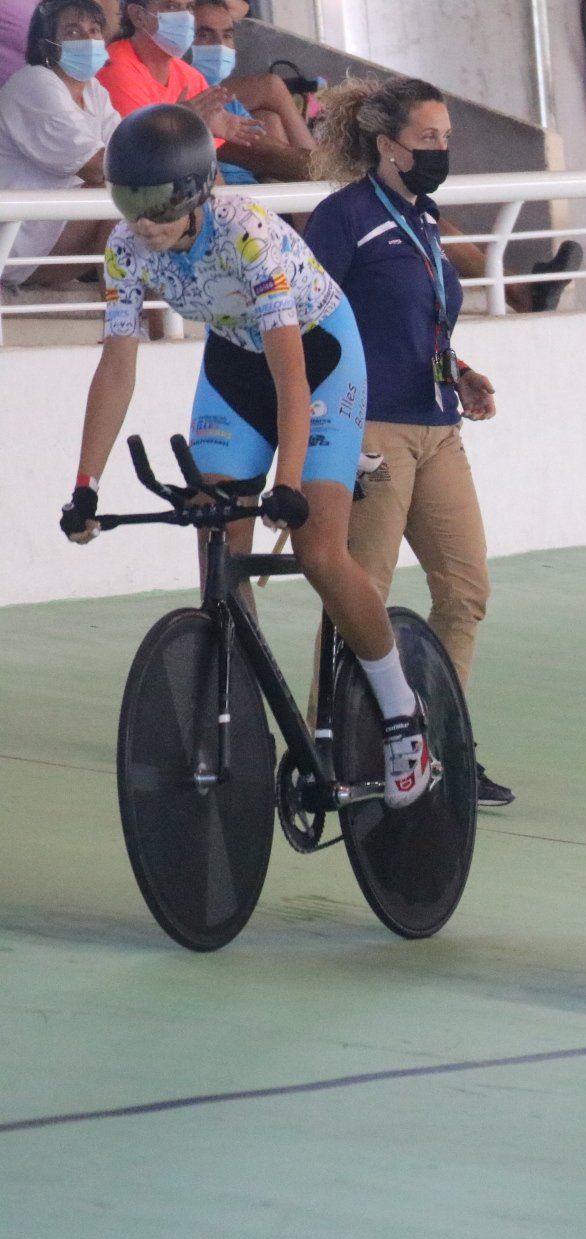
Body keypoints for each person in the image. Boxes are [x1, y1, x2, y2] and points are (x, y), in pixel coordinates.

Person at [58, 104, 435, 807]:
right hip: (233, 368)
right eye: (129, 203)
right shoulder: (124, 249)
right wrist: (86, 484)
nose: (144, 223)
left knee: (321, 550)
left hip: (319, 362)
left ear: (198, 191)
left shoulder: (247, 234)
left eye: (158, 206)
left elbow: (291, 376)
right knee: (216, 548)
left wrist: (287, 484)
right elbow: (116, 368)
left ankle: (401, 711)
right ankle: (245, 707)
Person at [303, 77, 514, 809]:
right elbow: (306, 329)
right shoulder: (343, 219)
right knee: (361, 587)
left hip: (438, 427)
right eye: (429, 139)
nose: (441, 151)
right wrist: (319, 439)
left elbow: (414, 317)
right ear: (386, 146)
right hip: (370, 428)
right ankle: (332, 742)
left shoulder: (422, 219)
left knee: (465, 591)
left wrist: (458, 369)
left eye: (446, 138)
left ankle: (440, 743)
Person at [0, 0, 119, 286]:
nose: (89, 39)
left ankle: (138, 319)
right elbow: (96, 168)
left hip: (53, 230)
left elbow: (126, 147)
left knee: (154, 196)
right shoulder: (34, 82)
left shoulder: (94, 90)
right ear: (47, 44)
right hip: (14, 239)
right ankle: (125, 321)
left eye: (94, 30)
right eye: (74, 32)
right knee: (127, 197)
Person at [96, 0, 261, 148]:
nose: (185, 17)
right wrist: (177, 124)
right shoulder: (116, 69)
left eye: (189, 7)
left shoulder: (190, 76)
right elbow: (140, 155)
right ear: (138, 16)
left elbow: (208, 168)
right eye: (171, 6)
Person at [188, 0, 311, 183]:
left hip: (256, 204)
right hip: (230, 205)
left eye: (227, 36)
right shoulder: (179, 98)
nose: (219, 45)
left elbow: (240, 7)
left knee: (269, 120)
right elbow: (269, 157)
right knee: (271, 86)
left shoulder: (228, 101)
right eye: (204, 35)